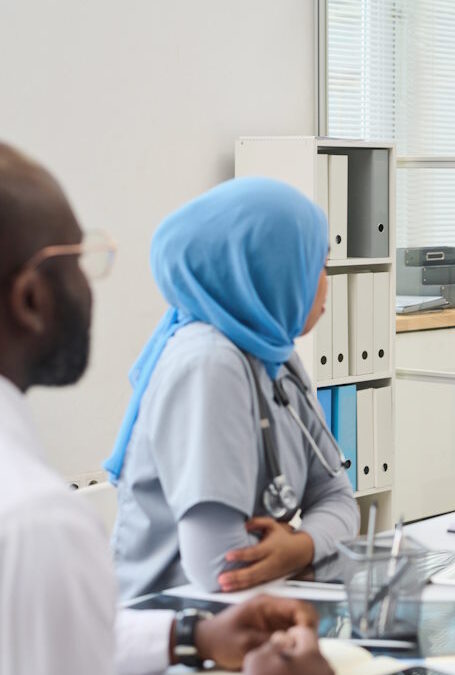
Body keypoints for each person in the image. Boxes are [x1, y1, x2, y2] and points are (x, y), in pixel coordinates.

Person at [0, 141, 332, 674]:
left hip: (197, 623)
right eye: (78, 257)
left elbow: (76, 643)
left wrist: (193, 638)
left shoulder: (275, 354)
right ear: (31, 299)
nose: (90, 283)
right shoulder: (39, 523)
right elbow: (222, 569)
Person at [105, 175, 361, 600]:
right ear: (272, 268)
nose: (326, 281)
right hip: (177, 627)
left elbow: (339, 500)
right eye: (319, 264)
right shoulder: (209, 364)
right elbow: (220, 567)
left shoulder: (275, 355)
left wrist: (298, 545)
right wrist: (304, 546)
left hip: (251, 609)